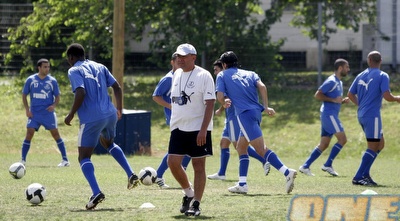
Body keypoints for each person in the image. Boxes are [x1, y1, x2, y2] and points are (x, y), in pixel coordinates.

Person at [64, 43, 140, 210]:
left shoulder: (74, 70)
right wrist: (119, 109)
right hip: (110, 114)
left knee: (83, 157)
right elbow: (117, 87)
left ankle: (96, 192)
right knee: (108, 143)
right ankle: (130, 174)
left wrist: (70, 114)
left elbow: (81, 92)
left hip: (91, 118)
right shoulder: (100, 66)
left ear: (71, 58)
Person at [216, 51, 297, 194]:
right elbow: (262, 86)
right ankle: (242, 184)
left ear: (223, 65)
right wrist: (265, 106)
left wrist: (224, 101)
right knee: (241, 148)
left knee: (261, 149)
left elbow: (220, 96)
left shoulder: (222, 75)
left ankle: (287, 172)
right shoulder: (250, 73)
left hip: (244, 115)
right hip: (256, 113)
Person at [167, 43, 215, 216]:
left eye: (184, 56)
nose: (180, 59)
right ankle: (189, 193)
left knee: (198, 166)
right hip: (178, 127)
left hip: (198, 128)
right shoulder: (176, 73)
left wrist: (203, 130)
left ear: (193, 57)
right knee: (172, 162)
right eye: (178, 56)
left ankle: (196, 204)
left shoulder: (204, 75)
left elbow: (210, 103)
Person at [208, 59, 271, 183]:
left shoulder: (225, 79)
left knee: (239, 146)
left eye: (216, 70)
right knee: (224, 144)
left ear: (223, 67)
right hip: (232, 117)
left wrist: (221, 107)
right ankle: (221, 173)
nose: (215, 73)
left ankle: (263, 160)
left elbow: (226, 98)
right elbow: (226, 99)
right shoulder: (229, 79)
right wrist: (221, 108)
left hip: (234, 117)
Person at [347, 50, 400, 186]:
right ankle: (359, 176)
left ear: (368, 60)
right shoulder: (383, 75)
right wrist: (397, 98)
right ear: (381, 61)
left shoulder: (360, 75)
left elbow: (350, 94)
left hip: (362, 114)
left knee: (380, 144)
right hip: (372, 116)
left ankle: (365, 174)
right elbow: (387, 96)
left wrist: (361, 104)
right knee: (373, 146)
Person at [299, 58, 350, 177]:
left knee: (324, 144)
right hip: (329, 115)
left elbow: (334, 99)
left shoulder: (339, 82)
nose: (348, 69)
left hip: (329, 115)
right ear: (340, 68)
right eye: (347, 67)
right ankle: (328, 164)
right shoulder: (331, 81)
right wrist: (333, 100)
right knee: (342, 139)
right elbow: (318, 94)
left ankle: (305, 166)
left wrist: (341, 101)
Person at [20, 58, 70, 167]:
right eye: (45, 67)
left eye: (48, 67)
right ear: (39, 67)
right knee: (29, 133)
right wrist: (27, 110)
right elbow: (24, 95)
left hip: (48, 114)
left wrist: (54, 105)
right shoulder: (31, 80)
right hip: (34, 113)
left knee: (56, 135)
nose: (47, 69)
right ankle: (22, 160)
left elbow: (57, 96)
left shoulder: (52, 81)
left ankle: (65, 160)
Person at [152, 53, 191, 188]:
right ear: (172, 62)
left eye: (182, 60)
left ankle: (172, 174)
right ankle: (159, 174)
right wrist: (170, 106)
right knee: (179, 148)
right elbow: (156, 96)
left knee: (188, 147)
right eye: (178, 61)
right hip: (174, 118)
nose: (180, 63)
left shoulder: (183, 77)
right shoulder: (168, 79)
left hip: (184, 116)